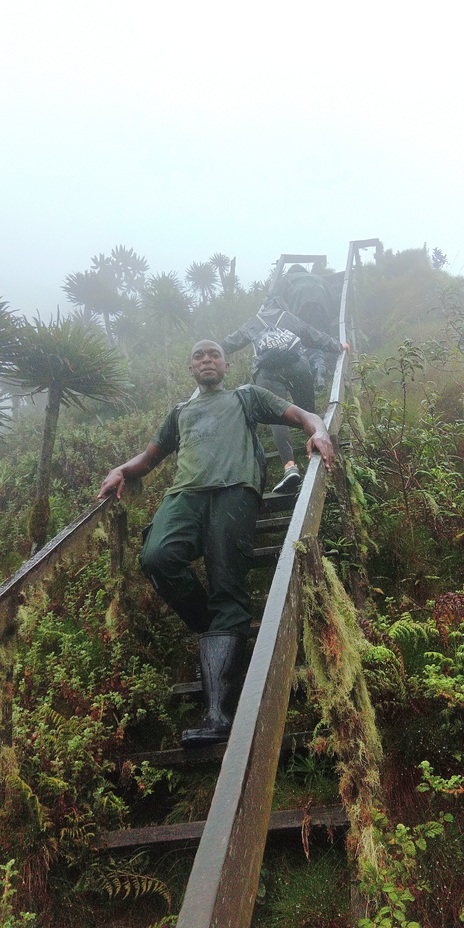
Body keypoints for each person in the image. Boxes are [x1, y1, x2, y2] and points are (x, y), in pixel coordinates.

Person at [98, 339, 335, 749]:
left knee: (229, 586)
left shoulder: (247, 396)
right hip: (185, 495)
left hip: (234, 491)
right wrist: (121, 469)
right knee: (157, 555)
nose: (206, 359)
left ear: (226, 365)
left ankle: (217, 713)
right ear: (190, 368)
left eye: (214, 355)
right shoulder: (180, 413)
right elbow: (149, 459)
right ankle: (219, 631)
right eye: (198, 355)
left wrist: (319, 432)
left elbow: (303, 414)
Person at [222, 297, 348, 493]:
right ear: (283, 306)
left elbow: (230, 343)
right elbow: (314, 336)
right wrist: (339, 346)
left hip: (267, 372)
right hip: (298, 366)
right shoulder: (288, 317)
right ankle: (317, 444)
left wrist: (210, 355)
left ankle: (290, 467)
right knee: (307, 412)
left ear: (263, 309)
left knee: (278, 416)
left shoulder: (254, 322)